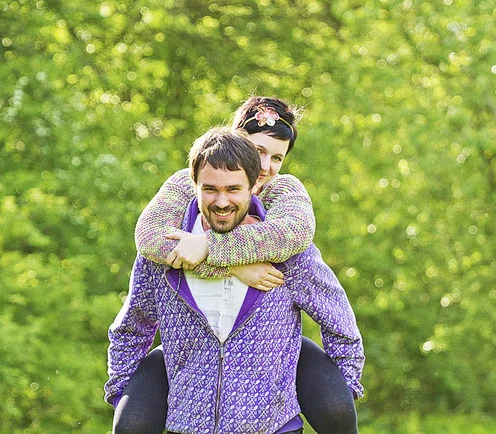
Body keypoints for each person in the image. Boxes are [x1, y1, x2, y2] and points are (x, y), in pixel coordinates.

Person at [117, 97, 362, 433]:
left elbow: (296, 235)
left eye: (277, 157)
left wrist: (342, 393)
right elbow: (148, 239)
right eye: (257, 151)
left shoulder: (284, 196)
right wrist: (229, 266)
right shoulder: (183, 193)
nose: (265, 166)